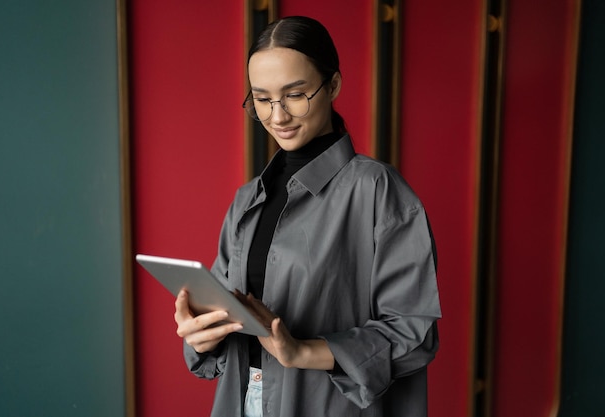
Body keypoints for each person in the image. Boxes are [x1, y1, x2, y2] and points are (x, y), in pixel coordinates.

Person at [174, 15, 441, 417]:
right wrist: (200, 335)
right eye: (262, 99)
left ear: (333, 85)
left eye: (296, 94)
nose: (277, 116)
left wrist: (303, 351)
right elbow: (227, 319)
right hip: (244, 401)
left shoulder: (377, 191)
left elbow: (415, 333)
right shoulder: (247, 200)